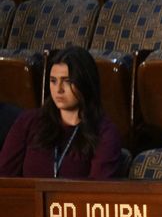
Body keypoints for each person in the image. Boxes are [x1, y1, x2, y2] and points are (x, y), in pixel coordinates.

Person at [0, 46, 122, 179]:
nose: (58, 89)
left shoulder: (104, 132)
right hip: (26, 200)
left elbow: (96, 192)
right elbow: (4, 179)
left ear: (85, 82)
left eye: (67, 81)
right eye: (53, 81)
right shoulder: (28, 122)